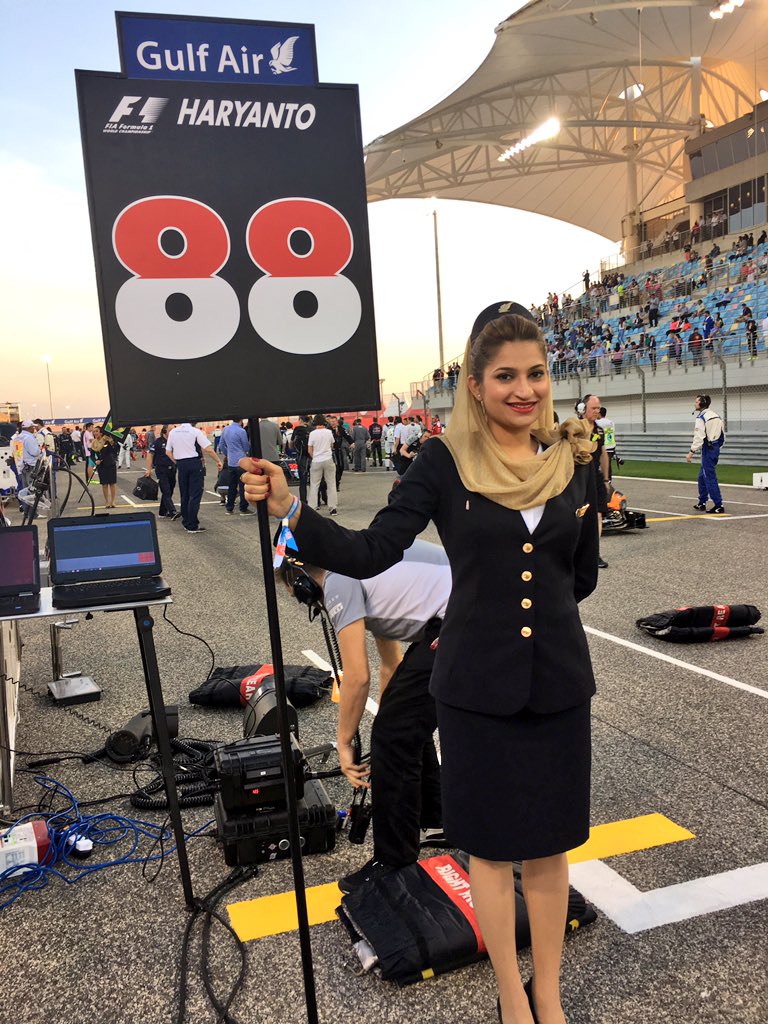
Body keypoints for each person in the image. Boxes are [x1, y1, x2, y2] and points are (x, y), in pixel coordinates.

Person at [242, 302, 599, 1024]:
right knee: (494, 855)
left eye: (535, 374)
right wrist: (291, 512)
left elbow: (581, 575)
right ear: (473, 383)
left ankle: (550, 996)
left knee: (553, 852)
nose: (523, 390)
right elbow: (375, 551)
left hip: (560, 681)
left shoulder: (573, 457)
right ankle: (510, 996)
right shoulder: (443, 461)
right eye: (505, 376)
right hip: (474, 686)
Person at [277, 539, 451, 891]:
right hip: (457, 613)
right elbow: (391, 664)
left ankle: (394, 862)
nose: (296, 599)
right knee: (400, 728)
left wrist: (344, 744)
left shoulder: (340, 578)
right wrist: (389, 726)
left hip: (467, 616)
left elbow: (357, 677)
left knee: (396, 733)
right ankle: (438, 820)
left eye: (289, 588)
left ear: (300, 578)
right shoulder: (360, 562)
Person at [166, 421, 223, 533]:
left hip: (181, 464)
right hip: (194, 463)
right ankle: (192, 524)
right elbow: (208, 448)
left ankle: (186, 521)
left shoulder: (173, 432)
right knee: (195, 494)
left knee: (185, 493)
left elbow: (168, 452)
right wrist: (218, 461)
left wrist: (176, 462)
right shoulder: (195, 431)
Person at [577, 395, 610, 568]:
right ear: (583, 409)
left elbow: (604, 454)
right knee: (579, 515)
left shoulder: (599, 431)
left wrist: (606, 478)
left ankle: (594, 553)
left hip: (595, 476)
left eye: (598, 408)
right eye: (593, 408)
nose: (597, 411)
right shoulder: (574, 429)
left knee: (598, 514)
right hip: (578, 476)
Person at [687, 395, 725, 514]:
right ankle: (702, 502)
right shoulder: (715, 415)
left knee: (709, 477)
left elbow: (699, 437)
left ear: (701, 403)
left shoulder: (701, 417)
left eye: (696, 401)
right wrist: (717, 446)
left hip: (708, 449)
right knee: (701, 476)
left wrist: (691, 452)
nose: (695, 404)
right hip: (715, 447)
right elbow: (722, 435)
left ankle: (718, 505)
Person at [219, 418, 254, 516]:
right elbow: (246, 447)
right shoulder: (241, 431)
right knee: (243, 485)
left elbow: (221, 445)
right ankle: (243, 508)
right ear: (241, 420)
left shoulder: (226, 429)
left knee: (232, 485)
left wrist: (228, 454)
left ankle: (229, 508)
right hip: (241, 461)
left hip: (231, 462)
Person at [145, 424, 178, 519]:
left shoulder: (174, 442)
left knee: (170, 491)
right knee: (166, 490)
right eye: (170, 430)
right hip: (161, 469)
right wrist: (148, 469)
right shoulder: (157, 442)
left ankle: (162, 512)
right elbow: (150, 455)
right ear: (164, 431)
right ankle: (172, 511)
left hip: (172, 469)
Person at [307, 414, 337, 516]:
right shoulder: (329, 432)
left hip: (316, 460)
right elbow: (332, 445)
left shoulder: (312, 434)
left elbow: (310, 449)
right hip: (328, 459)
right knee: (331, 484)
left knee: (314, 484)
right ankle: (333, 508)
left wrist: (314, 456)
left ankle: (312, 507)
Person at [90, 424, 118, 508]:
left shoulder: (107, 440)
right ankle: (107, 501)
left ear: (101, 433)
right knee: (104, 484)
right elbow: (91, 455)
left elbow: (112, 451)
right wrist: (96, 461)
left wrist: (112, 442)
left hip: (110, 463)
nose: (95, 433)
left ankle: (113, 501)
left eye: (97, 431)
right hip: (101, 466)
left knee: (112, 483)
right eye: (94, 431)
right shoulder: (94, 443)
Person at [291, 415, 312, 503]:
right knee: (314, 480)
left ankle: (303, 500)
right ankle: (316, 500)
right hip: (311, 456)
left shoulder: (297, 429)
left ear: (300, 420)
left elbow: (291, 442)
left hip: (301, 457)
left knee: (302, 481)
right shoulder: (312, 429)